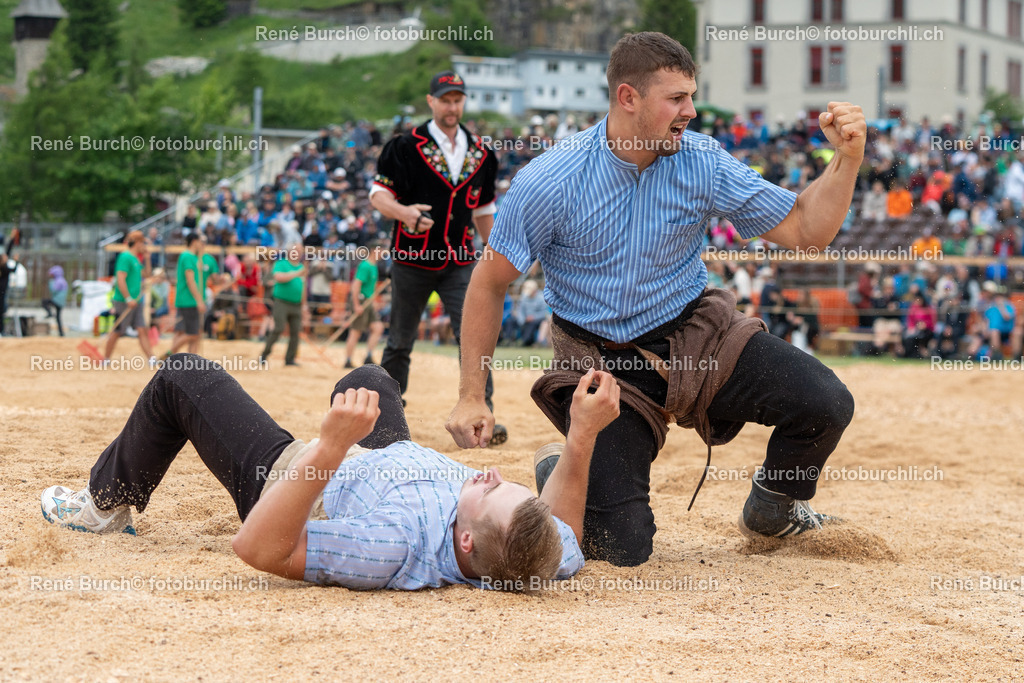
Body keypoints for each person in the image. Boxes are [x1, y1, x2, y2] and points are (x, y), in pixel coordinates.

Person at [447, 32, 859, 566]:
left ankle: (774, 508)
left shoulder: (702, 159)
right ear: (628, 98)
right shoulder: (550, 180)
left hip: (695, 335)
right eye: (676, 99)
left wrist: (846, 160)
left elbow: (807, 230)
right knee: (622, 548)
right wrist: (471, 395)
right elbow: (488, 282)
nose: (690, 110)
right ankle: (567, 465)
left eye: (691, 96)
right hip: (600, 361)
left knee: (825, 403)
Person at [40, 357, 622, 592]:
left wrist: (331, 446)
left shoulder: (391, 545)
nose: (492, 472)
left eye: (490, 489)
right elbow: (566, 530)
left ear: (464, 541)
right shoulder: (535, 550)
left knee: (182, 377)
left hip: (291, 479)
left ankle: (102, 508)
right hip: (390, 461)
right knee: (370, 378)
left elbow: (259, 548)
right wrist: (581, 437)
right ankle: (357, 416)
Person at [370, 70, 507, 443]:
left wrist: (495, 256)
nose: (452, 106)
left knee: (475, 337)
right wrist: (405, 213)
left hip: (460, 260)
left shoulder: (482, 152)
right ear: (431, 102)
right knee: (400, 339)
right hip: (411, 258)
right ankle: (387, 418)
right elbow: (378, 196)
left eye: (457, 99)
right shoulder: (403, 146)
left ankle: (482, 412)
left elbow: (483, 211)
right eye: (445, 99)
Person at [105, 231, 156, 361]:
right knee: (117, 331)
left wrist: (148, 258)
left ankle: (151, 358)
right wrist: (128, 298)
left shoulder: (135, 259)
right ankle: (106, 359)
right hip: (124, 300)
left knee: (142, 329)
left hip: (136, 300)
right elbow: (120, 279)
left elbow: (148, 275)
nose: (144, 245)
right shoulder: (125, 257)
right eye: (143, 243)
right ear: (138, 242)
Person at [260, 244, 307, 366]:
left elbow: (303, 288)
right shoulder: (281, 264)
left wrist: (304, 305)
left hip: (296, 304)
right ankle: (264, 354)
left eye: (300, 251)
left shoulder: (301, 267)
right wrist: (297, 273)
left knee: (295, 332)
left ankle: (290, 359)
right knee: (279, 328)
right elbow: (279, 278)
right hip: (282, 302)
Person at [345, 243, 386, 368]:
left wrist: (373, 302)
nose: (383, 254)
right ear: (374, 250)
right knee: (356, 332)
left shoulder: (373, 266)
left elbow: (370, 289)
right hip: (361, 301)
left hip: (367, 302)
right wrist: (356, 304)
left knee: (378, 327)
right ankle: (347, 360)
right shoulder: (365, 266)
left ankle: (368, 356)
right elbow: (356, 285)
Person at [166, 233, 207, 355]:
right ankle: (170, 353)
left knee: (188, 332)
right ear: (194, 241)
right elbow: (190, 281)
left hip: (187, 300)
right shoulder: (188, 256)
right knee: (194, 334)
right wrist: (199, 300)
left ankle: (191, 361)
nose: (202, 244)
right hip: (189, 300)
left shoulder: (193, 257)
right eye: (201, 241)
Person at [41, 265, 68, 337]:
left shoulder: (58, 281)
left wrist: (51, 282)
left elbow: (53, 290)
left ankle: (50, 313)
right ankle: (61, 333)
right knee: (58, 318)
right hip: (61, 302)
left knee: (44, 302)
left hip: (57, 301)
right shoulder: (63, 280)